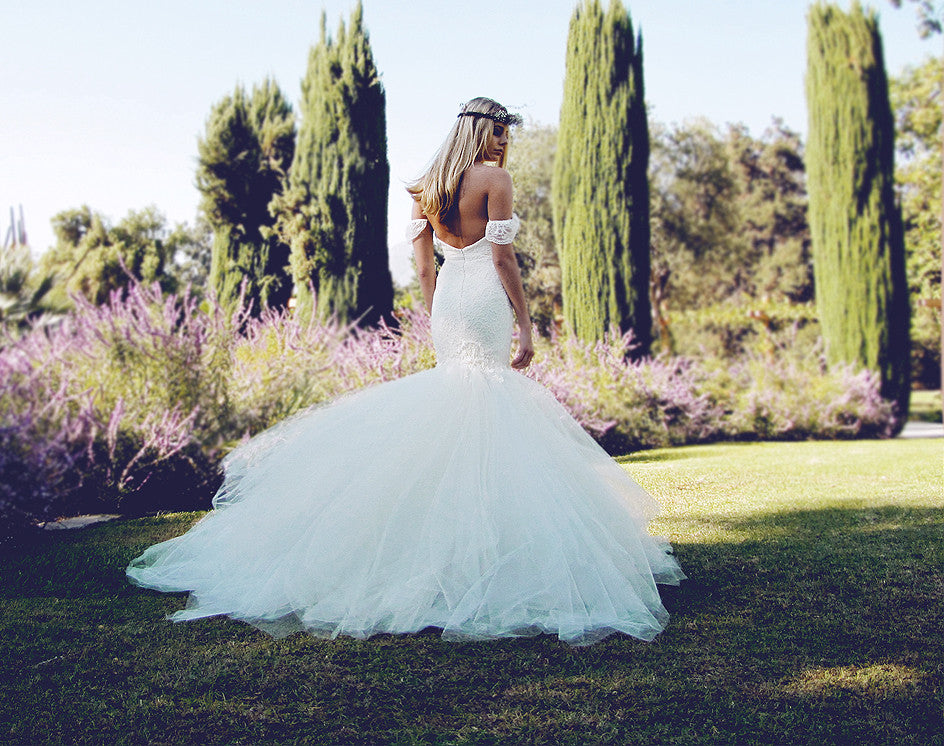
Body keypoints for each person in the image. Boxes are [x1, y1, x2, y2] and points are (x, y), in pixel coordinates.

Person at [126, 96, 684, 644]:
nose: (501, 140)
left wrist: (437, 307)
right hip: (485, 297)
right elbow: (503, 258)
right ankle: (482, 553)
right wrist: (526, 324)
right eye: (496, 130)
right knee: (488, 397)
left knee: (455, 396)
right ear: (476, 130)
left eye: (505, 133)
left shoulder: (425, 186)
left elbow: (422, 266)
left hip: (448, 303)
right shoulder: (494, 180)